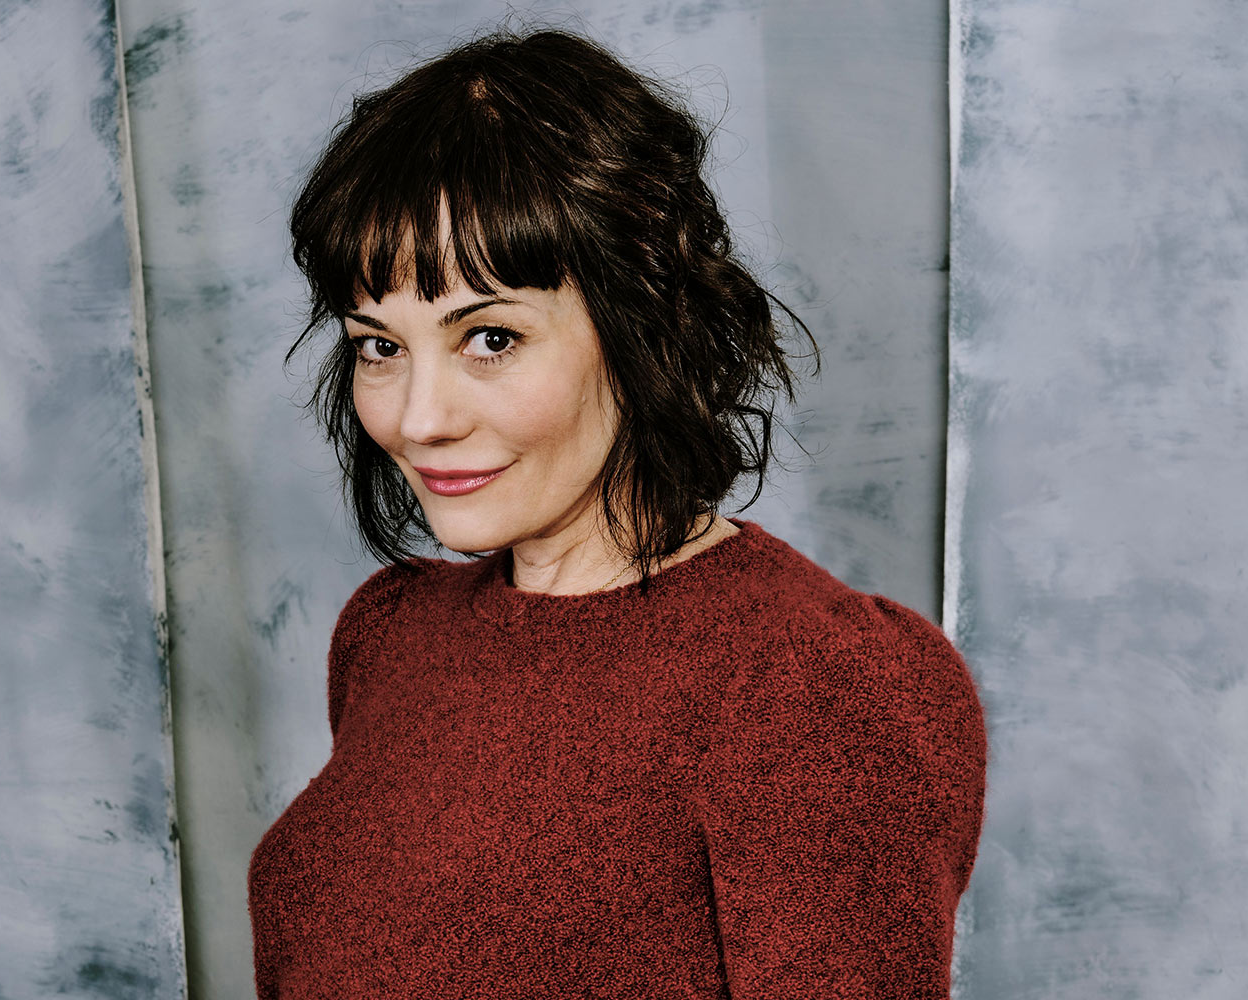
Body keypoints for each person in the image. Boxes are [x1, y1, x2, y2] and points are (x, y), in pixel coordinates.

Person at [248, 25, 987, 999]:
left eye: (490, 337)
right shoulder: (390, 635)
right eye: (379, 346)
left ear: (641, 322)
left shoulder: (813, 685)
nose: (419, 418)